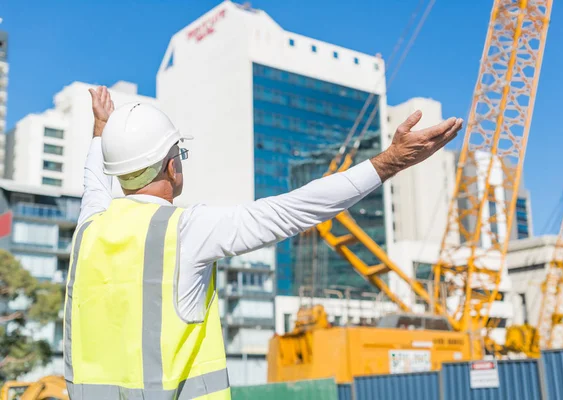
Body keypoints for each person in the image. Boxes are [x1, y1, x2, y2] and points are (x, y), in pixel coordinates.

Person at [63, 86, 463, 400]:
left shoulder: (89, 227)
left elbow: (93, 180)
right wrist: (391, 160)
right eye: (179, 152)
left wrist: (102, 129)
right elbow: (295, 210)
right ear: (172, 164)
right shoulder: (186, 229)